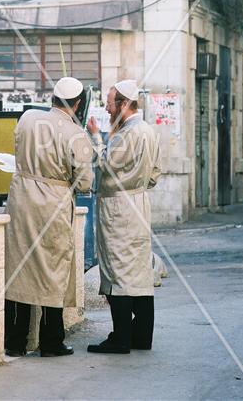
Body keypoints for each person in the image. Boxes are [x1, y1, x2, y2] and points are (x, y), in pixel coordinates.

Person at [5, 77, 93, 357]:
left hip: (20, 200)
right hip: (53, 204)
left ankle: (15, 342)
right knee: (53, 270)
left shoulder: (28, 118)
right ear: (78, 104)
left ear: (53, 97)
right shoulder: (76, 133)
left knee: (19, 267)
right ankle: (51, 341)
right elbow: (85, 183)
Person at [86, 79, 161, 354]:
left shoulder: (128, 133)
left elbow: (104, 164)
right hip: (139, 203)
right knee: (139, 271)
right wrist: (137, 187)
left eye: (110, 102)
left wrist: (95, 136)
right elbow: (155, 173)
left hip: (119, 207)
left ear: (124, 104)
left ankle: (120, 338)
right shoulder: (147, 131)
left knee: (118, 270)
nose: (106, 108)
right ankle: (141, 337)